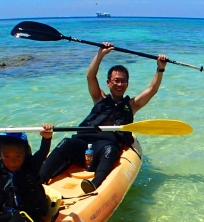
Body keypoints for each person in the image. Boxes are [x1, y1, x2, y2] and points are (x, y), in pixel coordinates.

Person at [40, 44, 166, 194]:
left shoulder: (132, 105)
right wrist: (100, 55)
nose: (119, 84)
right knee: (66, 142)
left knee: (110, 150)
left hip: (105, 147)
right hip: (84, 144)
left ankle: (94, 183)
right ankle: (39, 179)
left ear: (127, 83)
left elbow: (152, 89)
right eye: (116, 80)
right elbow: (90, 76)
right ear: (108, 83)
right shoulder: (99, 98)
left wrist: (160, 68)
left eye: (123, 81)